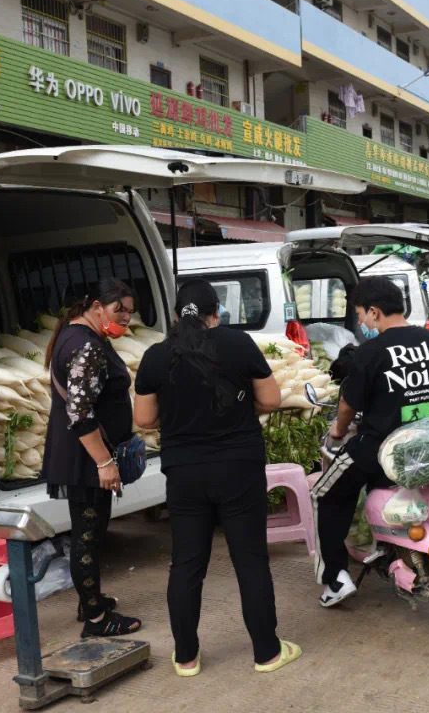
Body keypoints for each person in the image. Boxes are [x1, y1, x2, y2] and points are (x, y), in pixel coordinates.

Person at [132, 280, 298, 675]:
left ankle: (186, 657)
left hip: (185, 472)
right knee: (250, 560)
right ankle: (267, 653)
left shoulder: (156, 357)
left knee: (187, 563)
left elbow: (143, 419)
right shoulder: (238, 344)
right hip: (238, 466)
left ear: (175, 316)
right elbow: (272, 400)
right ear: (215, 313)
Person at [313, 276, 429, 608]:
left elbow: (348, 405)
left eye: (362, 315)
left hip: (381, 449)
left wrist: (337, 433)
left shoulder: (371, 351)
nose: (363, 322)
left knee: (325, 493)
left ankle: (335, 578)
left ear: (375, 312)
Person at [42, 278, 142, 638]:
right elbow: (80, 412)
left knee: (93, 531)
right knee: (88, 534)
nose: (126, 318)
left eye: (130, 311)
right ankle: (96, 621)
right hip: (86, 455)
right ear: (98, 306)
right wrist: (104, 462)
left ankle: (90, 600)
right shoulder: (86, 345)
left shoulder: (75, 335)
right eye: (120, 310)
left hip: (81, 452)